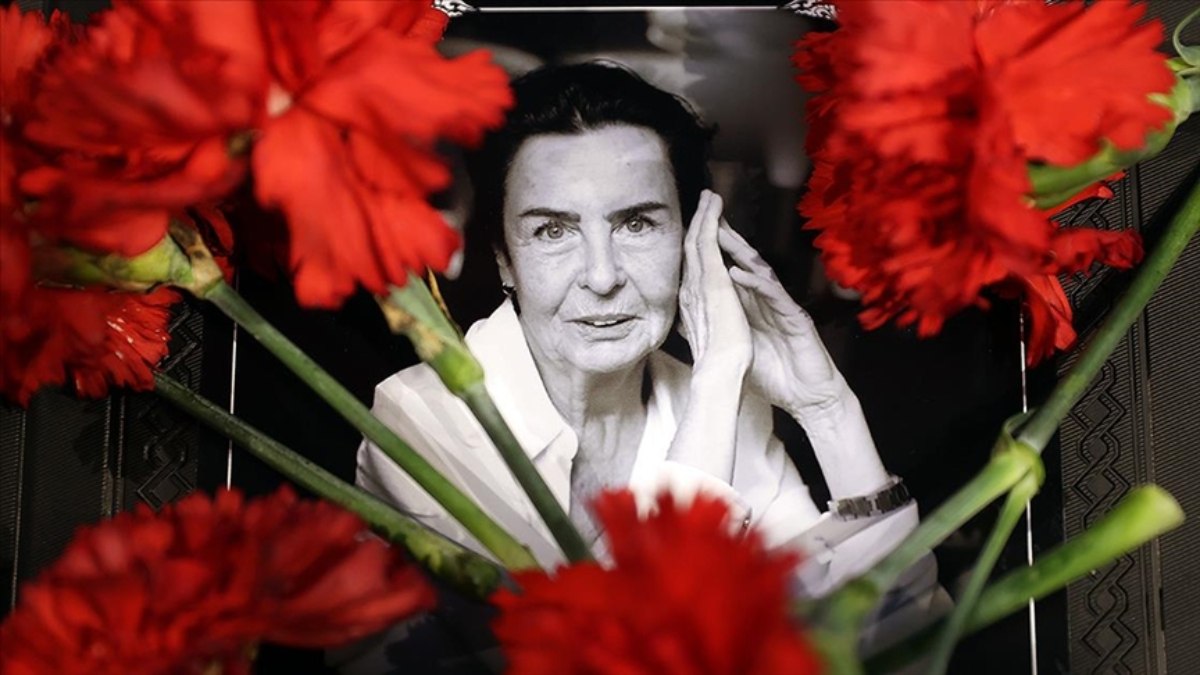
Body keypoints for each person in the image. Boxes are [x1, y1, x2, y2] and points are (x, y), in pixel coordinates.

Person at [356, 62, 925, 598]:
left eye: (636, 223)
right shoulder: (422, 422)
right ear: (505, 257)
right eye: (553, 231)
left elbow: (896, 639)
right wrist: (717, 382)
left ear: (692, 242)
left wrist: (827, 410)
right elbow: (639, 637)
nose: (602, 277)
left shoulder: (725, 406)